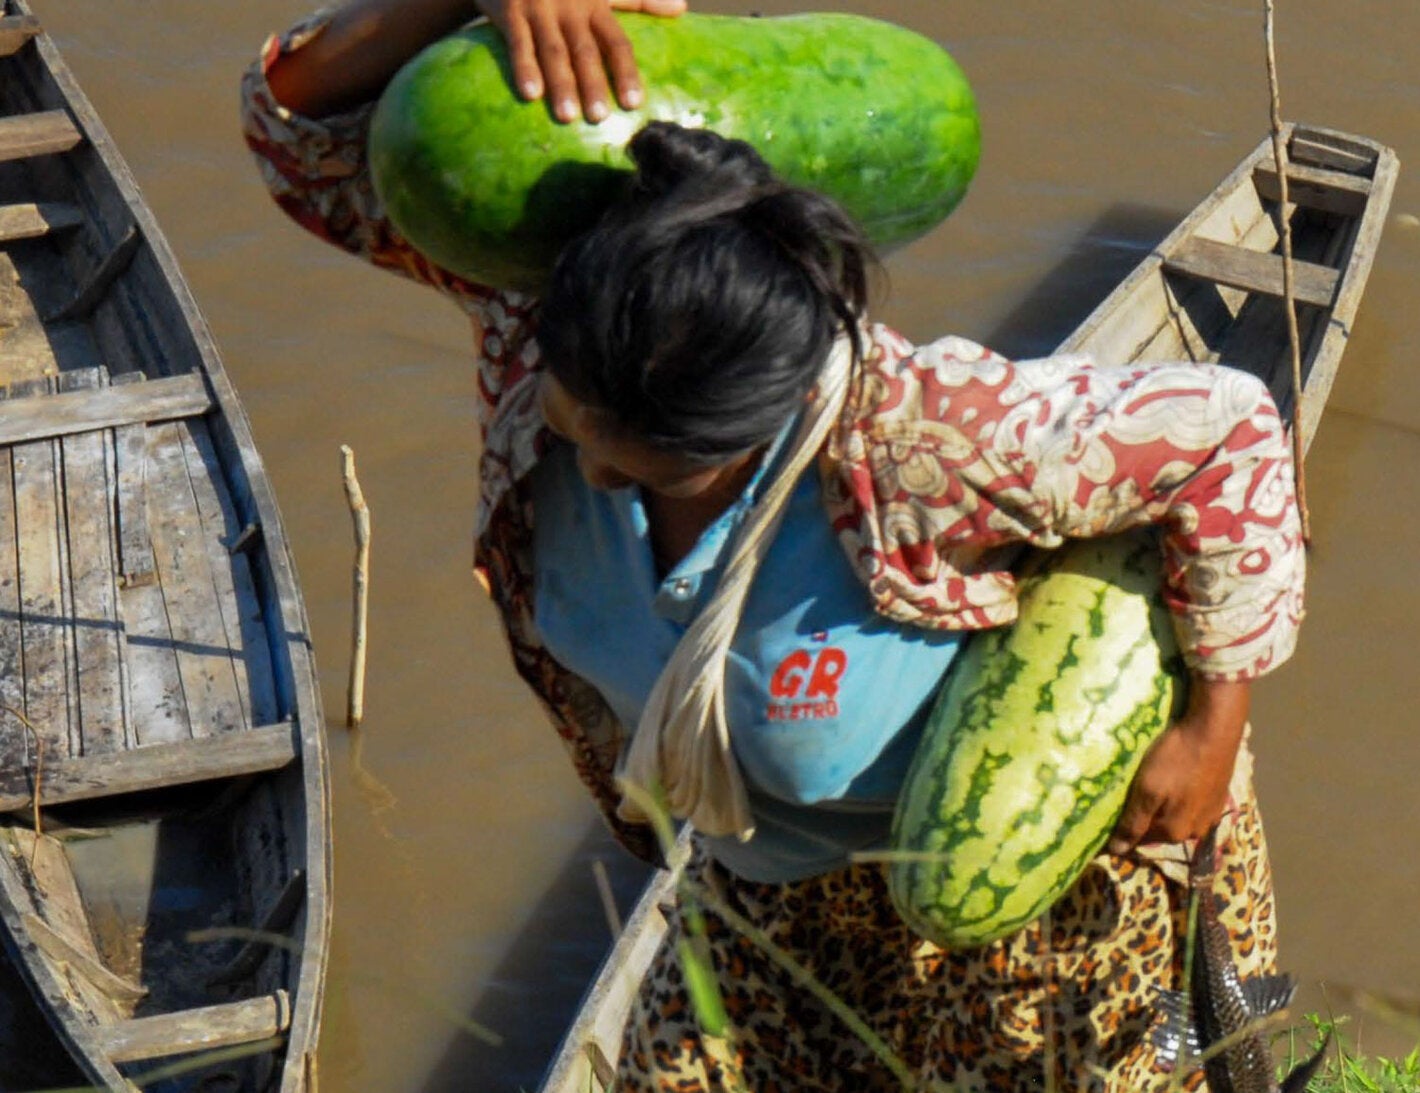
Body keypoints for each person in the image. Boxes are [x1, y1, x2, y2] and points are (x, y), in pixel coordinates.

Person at [242, 1, 1304, 1088]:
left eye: (651, 454)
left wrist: (1212, 726)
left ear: (769, 414)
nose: (595, 468)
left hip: (1031, 899)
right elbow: (297, 139)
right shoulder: (553, 329)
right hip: (766, 895)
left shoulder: (926, 437)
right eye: (574, 412)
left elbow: (1228, 433)